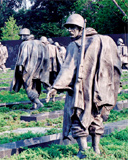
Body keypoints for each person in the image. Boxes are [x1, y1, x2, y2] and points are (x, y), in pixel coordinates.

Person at [46, 14, 121, 158]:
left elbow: (68, 68)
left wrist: (56, 86)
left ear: (81, 27)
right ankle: (96, 149)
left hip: (81, 91)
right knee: (96, 116)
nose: (69, 30)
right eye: (68, 27)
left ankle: (84, 150)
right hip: (99, 90)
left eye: (73, 27)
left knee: (78, 117)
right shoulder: (103, 40)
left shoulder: (75, 45)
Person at [11, 28, 50, 110]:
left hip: (28, 69)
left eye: (22, 35)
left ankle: (38, 103)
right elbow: (46, 57)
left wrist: (20, 67)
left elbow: (22, 57)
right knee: (36, 86)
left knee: (28, 87)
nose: (21, 38)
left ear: (25, 35)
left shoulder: (25, 44)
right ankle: (34, 105)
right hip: (39, 69)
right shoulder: (40, 43)